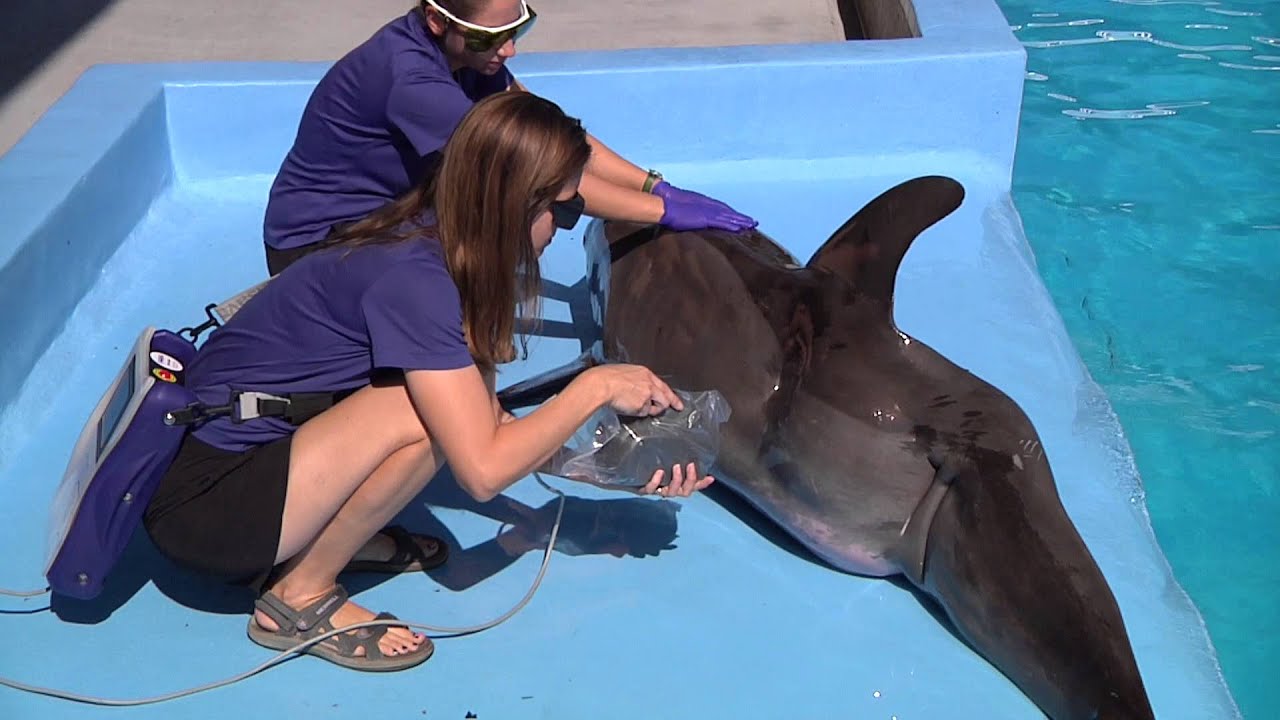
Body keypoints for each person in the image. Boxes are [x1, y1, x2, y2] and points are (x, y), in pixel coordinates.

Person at [142, 91, 715, 673]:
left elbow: (481, 416)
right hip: (206, 509)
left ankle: (314, 539)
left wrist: (615, 466)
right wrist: (593, 387)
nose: (565, 229)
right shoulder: (418, 282)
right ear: (516, 205)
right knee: (419, 419)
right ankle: (296, 597)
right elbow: (483, 469)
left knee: (442, 415)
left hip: (251, 464)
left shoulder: (440, 240)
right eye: (565, 210)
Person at [261, 0, 757, 275]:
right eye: (489, 37)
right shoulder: (415, 84)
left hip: (391, 214)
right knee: (526, 206)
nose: (510, 50)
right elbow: (536, 174)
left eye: (519, 28)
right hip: (318, 248)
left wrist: (654, 187)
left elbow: (553, 140)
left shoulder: (470, 55)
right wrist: (664, 214)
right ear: (437, 21)